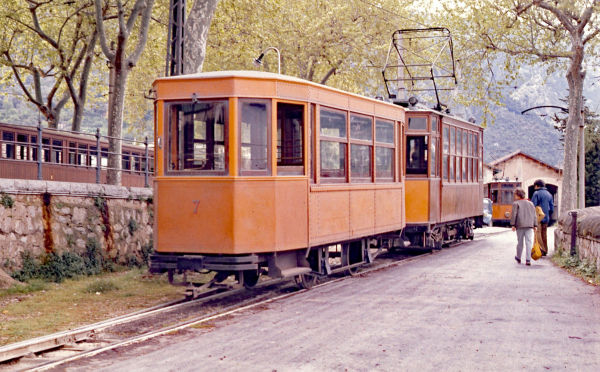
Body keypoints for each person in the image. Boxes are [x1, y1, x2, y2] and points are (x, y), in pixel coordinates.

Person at [510, 189, 538, 266]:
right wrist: (535, 225)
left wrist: (513, 225)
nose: (514, 197)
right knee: (529, 242)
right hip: (529, 225)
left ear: (518, 195)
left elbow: (514, 215)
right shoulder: (531, 203)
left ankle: (518, 257)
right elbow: (534, 215)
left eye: (515, 195)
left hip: (520, 225)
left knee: (520, 242)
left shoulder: (516, 203)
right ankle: (528, 259)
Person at [531, 179, 554, 256]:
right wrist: (549, 215)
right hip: (546, 216)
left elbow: (533, 205)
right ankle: (546, 249)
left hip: (538, 216)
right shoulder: (549, 194)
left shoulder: (536, 193)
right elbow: (552, 208)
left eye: (535, 186)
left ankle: (541, 249)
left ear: (537, 186)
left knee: (538, 233)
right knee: (544, 233)